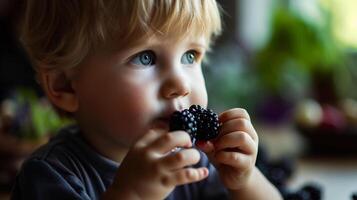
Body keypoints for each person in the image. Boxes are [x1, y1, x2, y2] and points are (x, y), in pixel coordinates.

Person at [11, 0, 282, 199]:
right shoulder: (50, 176)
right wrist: (131, 195)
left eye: (190, 56)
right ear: (66, 86)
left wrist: (245, 182)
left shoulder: (193, 160)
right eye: (146, 57)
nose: (180, 84)